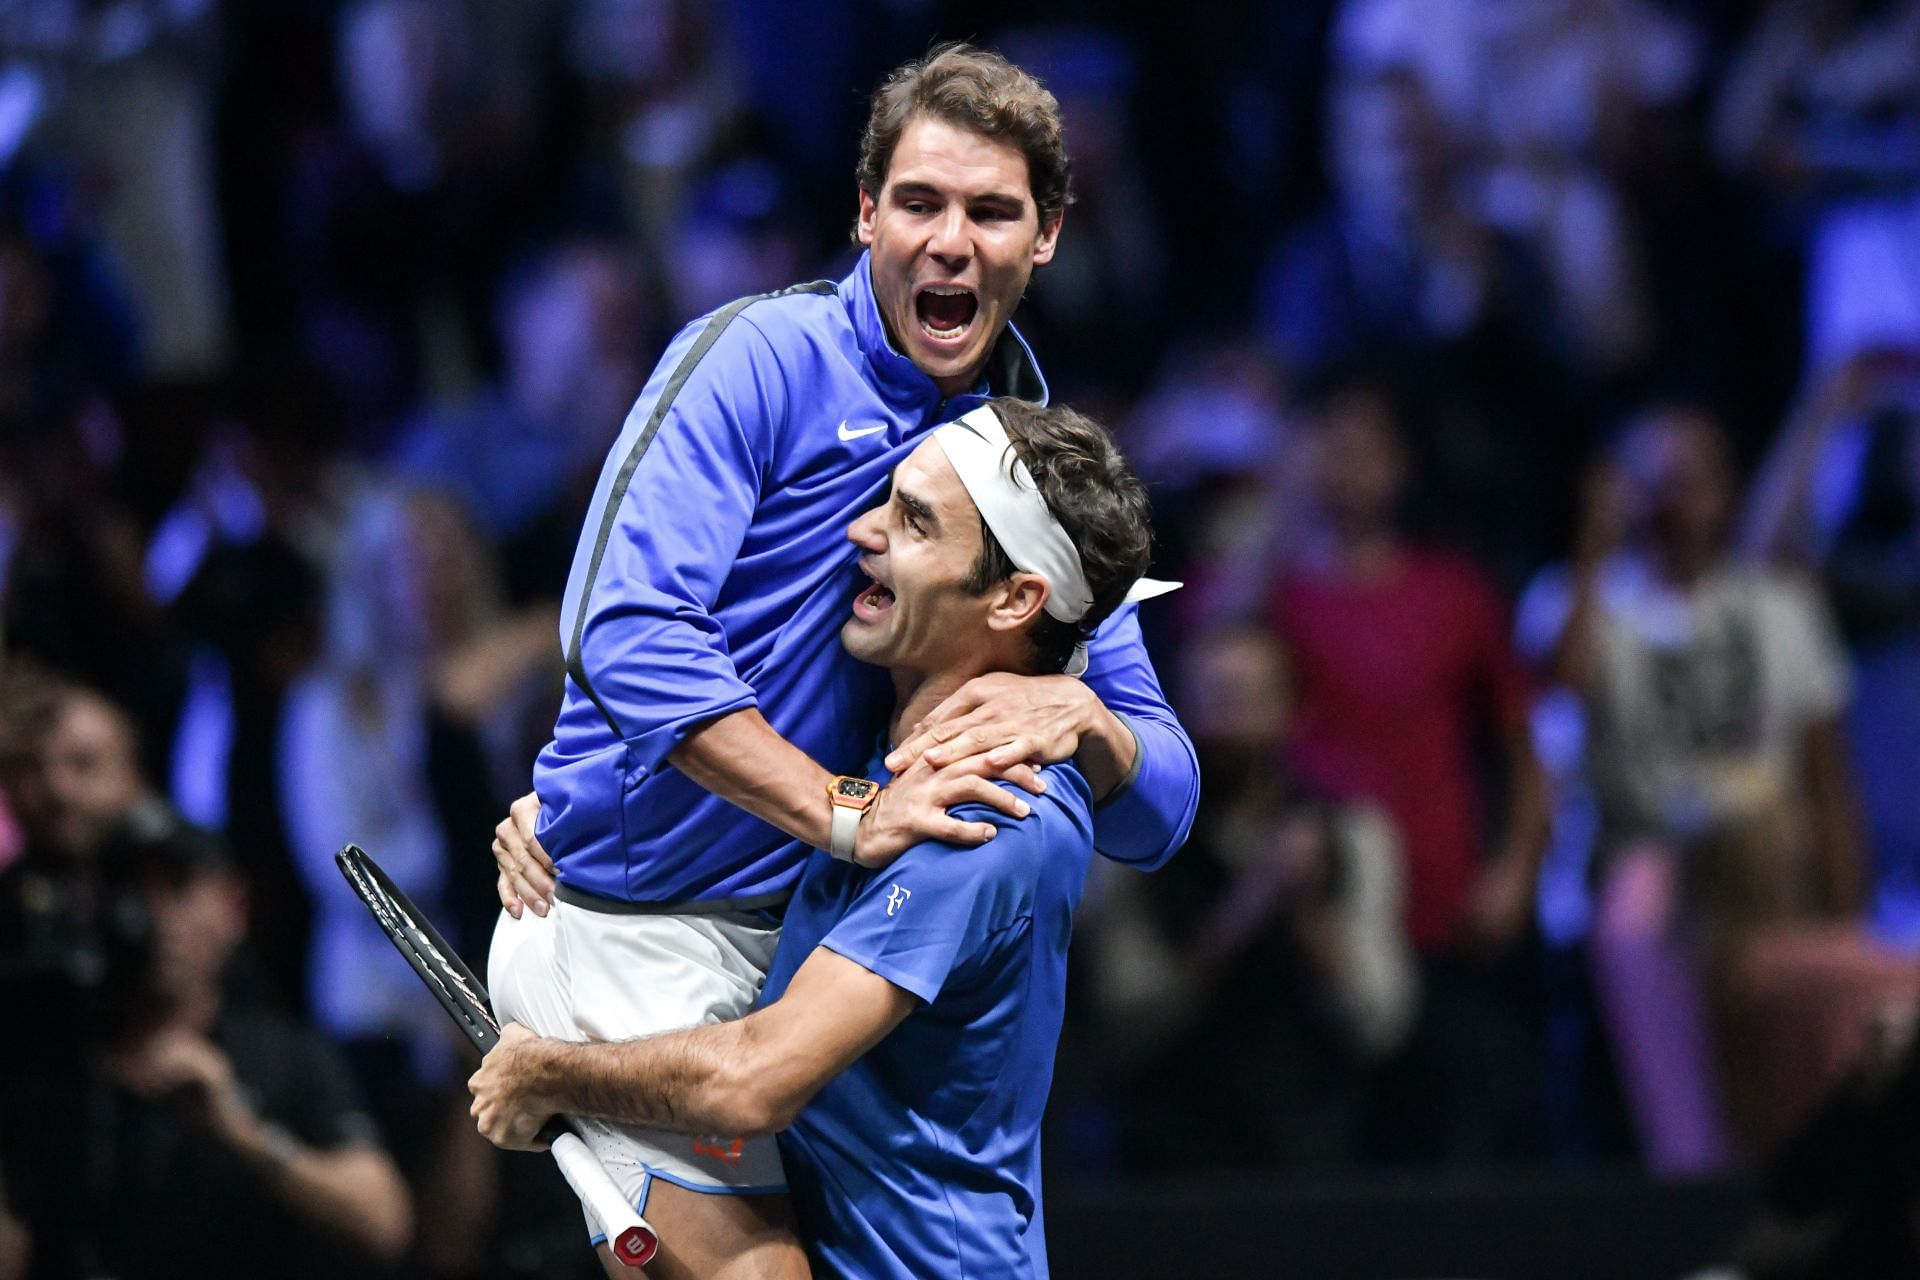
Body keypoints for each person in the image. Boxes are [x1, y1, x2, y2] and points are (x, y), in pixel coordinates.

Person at [485, 43, 1198, 1276]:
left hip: (819, 951)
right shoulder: (753, 359)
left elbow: (1163, 801)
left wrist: (1081, 710)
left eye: (992, 210)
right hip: (640, 930)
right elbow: (623, 633)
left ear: (1050, 236)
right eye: (919, 201)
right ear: (864, 213)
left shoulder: (1030, 463)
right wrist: (842, 810)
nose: (950, 240)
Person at [474, 398, 1161, 1279]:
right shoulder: (887, 758)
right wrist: (574, 823)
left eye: (913, 522)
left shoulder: (987, 816)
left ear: (1015, 598)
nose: (861, 530)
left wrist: (549, 1073)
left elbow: (752, 1083)